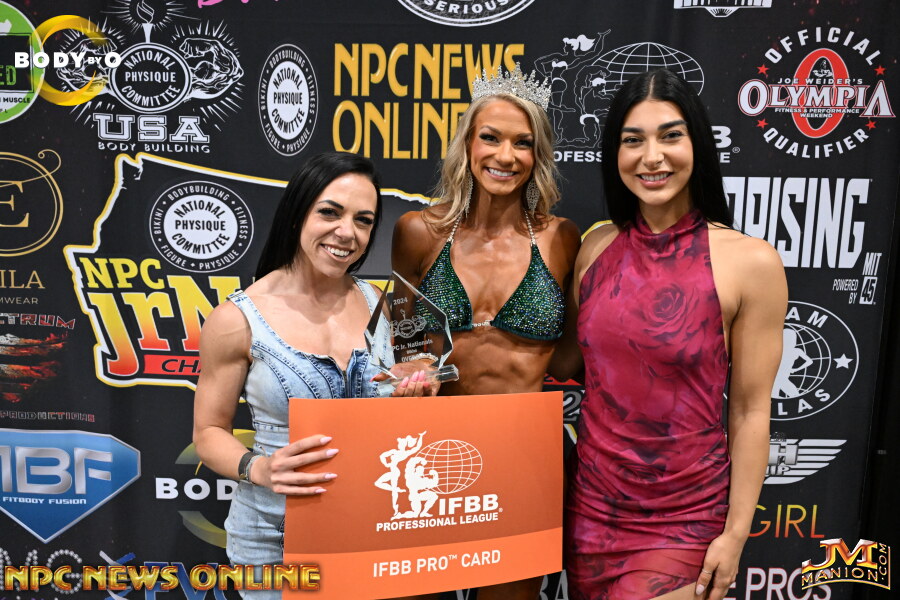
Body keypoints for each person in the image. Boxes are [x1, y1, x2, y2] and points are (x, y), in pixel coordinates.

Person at [551, 69, 787, 600]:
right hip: (590, 513)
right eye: (633, 140)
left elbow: (750, 410)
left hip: (685, 518)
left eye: (670, 136)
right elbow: (560, 364)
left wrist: (735, 534)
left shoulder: (750, 263)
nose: (651, 157)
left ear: (697, 143)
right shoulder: (595, 249)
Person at [192, 152, 433, 599]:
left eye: (363, 220)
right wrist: (257, 467)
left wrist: (417, 382)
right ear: (297, 212)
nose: (347, 232)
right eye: (329, 212)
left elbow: (414, 379)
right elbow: (208, 432)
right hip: (272, 539)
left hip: (374, 526)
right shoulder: (235, 319)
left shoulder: (381, 304)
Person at [391, 64, 581, 600]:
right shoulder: (419, 231)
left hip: (523, 453)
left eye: (523, 143)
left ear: (538, 155)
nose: (505, 155)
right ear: (468, 145)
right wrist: (413, 367)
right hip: (431, 452)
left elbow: (568, 360)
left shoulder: (561, 238)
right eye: (491, 138)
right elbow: (401, 338)